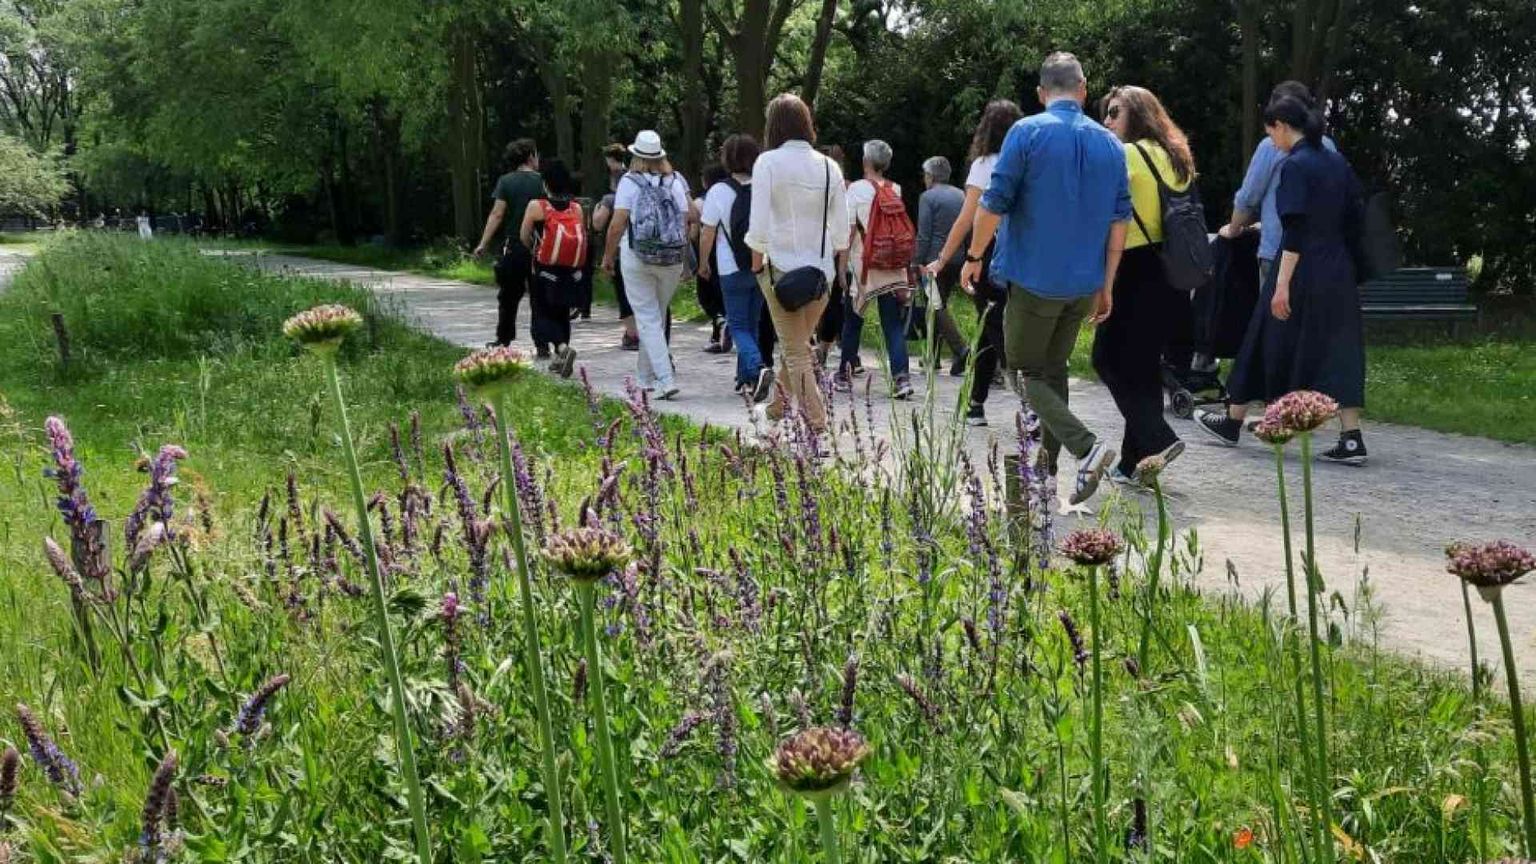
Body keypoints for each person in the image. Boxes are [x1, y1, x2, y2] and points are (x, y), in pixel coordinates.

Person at [959, 52, 1130, 505]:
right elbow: (1119, 222)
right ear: (1084, 88)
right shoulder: (1112, 145)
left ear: (1040, 93)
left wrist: (973, 255)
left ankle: (1087, 447)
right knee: (1052, 373)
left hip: (1034, 281)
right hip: (1083, 284)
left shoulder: (1026, 132)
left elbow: (994, 202)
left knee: (1022, 371)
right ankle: (1044, 479)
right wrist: (1107, 283)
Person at [1197, 95, 1369, 463]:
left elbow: (1295, 230)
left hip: (1300, 266)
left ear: (1282, 127)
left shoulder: (1294, 166)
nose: (1271, 143)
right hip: (1338, 267)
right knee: (1339, 349)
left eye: (1271, 133)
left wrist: (1281, 284)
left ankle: (1232, 422)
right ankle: (1351, 437)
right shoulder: (1336, 161)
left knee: (1262, 337)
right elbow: (1357, 214)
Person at [1095, 85, 1192, 484]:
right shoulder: (1176, 155)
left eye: (1114, 113)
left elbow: (1102, 209)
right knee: (1143, 369)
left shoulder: (1125, 154)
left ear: (1135, 114)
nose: (1107, 121)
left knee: (1107, 358)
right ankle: (1133, 465)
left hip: (1131, 266)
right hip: (1170, 269)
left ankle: (1157, 437)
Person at [746, 93, 850, 439]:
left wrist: (756, 264)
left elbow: (758, 225)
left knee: (795, 352)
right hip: (821, 274)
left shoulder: (767, 163)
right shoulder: (828, 166)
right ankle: (774, 412)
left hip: (781, 272)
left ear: (772, 125)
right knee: (798, 346)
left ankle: (818, 426)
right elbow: (841, 232)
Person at [928, 99, 1024, 427]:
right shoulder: (1027, 159)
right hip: (1021, 248)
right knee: (989, 326)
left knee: (994, 324)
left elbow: (966, 219)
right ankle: (975, 403)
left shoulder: (984, 165)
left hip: (986, 249)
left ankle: (1028, 399)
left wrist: (943, 258)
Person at [600, 130, 693, 400]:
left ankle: (665, 379)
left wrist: (607, 256)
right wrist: (685, 260)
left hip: (638, 256)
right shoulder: (674, 181)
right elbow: (687, 222)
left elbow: (617, 225)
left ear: (635, 156)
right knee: (655, 314)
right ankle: (644, 377)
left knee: (648, 318)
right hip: (672, 259)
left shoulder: (630, 182)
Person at [1219, 81, 1337, 289]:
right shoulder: (1327, 145)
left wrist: (1234, 228)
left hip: (1278, 252)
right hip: (1321, 252)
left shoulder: (1271, 146)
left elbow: (1249, 198)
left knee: (1277, 318)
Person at [698, 134, 775, 403]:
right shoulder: (765, 187)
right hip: (761, 265)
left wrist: (703, 263)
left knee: (738, 325)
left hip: (731, 267)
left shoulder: (719, 191)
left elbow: (707, 233)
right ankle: (747, 378)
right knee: (752, 322)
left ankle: (757, 367)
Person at [840, 139, 914, 400]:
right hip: (892, 265)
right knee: (891, 323)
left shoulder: (857, 190)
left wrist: (841, 267)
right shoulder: (897, 189)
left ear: (866, 161)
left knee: (853, 319)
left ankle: (844, 373)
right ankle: (901, 378)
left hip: (865, 265)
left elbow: (849, 232)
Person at [474, 139, 545, 352]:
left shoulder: (505, 181)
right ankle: (542, 344)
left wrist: (483, 243)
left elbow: (497, 214)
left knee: (508, 296)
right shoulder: (543, 181)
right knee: (539, 297)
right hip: (540, 248)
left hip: (513, 246)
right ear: (531, 156)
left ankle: (503, 340)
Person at [517, 158, 585, 379]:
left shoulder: (538, 206)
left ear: (545, 183)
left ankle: (562, 348)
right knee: (562, 311)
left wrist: (534, 251)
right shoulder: (576, 208)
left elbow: (524, 235)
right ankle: (560, 356)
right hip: (568, 268)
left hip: (544, 267)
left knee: (542, 310)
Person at [913, 156, 969, 375]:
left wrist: (916, 260)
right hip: (958, 258)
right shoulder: (961, 195)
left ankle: (961, 348)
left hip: (934, 261)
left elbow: (924, 234)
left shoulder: (927, 197)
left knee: (935, 306)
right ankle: (933, 357)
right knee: (935, 306)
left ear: (930, 176)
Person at [814, 144, 850, 370]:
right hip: (838, 250)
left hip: (816, 250)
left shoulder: (813, 187)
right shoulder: (846, 188)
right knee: (834, 303)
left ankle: (816, 347)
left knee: (815, 300)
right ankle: (824, 348)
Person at [694, 163, 731, 355]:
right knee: (724, 295)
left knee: (707, 295)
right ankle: (724, 327)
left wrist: (701, 261)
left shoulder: (703, 201)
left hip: (712, 253)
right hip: (734, 255)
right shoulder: (734, 194)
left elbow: (700, 232)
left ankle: (720, 326)